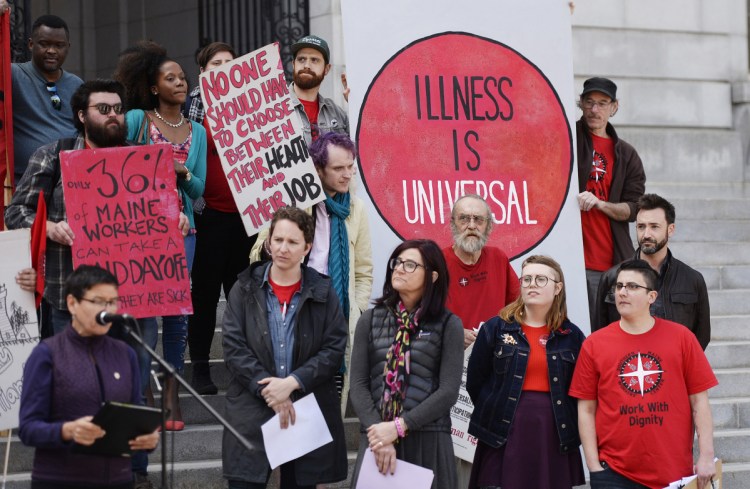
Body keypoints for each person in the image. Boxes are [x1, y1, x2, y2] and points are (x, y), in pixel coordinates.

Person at [114, 40, 207, 430]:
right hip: (139, 230)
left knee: (176, 312)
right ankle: (143, 389)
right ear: (154, 87)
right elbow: (116, 166)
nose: (181, 83)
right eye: (171, 79)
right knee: (143, 310)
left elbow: (199, 189)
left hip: (184, 229)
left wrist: (181, 172)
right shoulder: (137, 120)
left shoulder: (197, 131)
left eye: (183, 78)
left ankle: (171, 388)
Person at [222, 206, 348, 488]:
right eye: (277, 240)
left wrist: (292, 382)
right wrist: (270, 390)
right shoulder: (243, 288)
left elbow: (333, 349)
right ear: (268, 241)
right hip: (251, 409)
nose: (283, 248)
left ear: (307, 247)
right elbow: (233, 347)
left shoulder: (324, 293)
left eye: (292, 242)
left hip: (303, 408)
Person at [251, 132, 373, 407]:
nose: (347, 175)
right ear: (318, 169)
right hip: (295, 303)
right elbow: (256, 254)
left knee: (331, 387)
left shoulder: (357, 208)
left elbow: (364, 270)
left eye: (350, 167)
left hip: (335, 309)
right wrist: (276, 246)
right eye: (338, 168)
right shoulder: (292, 197)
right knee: (292, 384)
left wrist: (357, 306)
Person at [570, 260, 717, 489]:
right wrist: (593, 465)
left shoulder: (682, 338)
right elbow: (586, 408)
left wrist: (706, 455)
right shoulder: (594, 344)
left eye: (632, 286)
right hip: (614, 473)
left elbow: (699, 401)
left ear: (652, 297)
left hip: (674, 472)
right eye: (618, 286)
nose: (622, 292)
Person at [18, 265, 159, 488]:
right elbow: (28, 429)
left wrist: (146, 439)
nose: (107, 309)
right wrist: (66, 430)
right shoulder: (47, 354)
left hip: (117, 479)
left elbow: (133, 414)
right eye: (98, 301)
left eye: (112, 302)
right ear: (72, 303)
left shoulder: (125, 354)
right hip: (62, 479)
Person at [349, 239, 463, 489]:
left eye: (410, 264)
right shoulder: (370, 320)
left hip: (427, 440)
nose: (399, 269)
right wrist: (381, 432)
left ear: (432, 276)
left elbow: (448, 392)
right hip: (378, 440)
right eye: (397, 262)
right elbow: (357, 384)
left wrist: (400, 427)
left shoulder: (448, 325)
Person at [466, 255, 585, 488]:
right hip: (503, 431)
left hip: (553, 431)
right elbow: (475, 382)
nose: (532, 284)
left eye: (541, 279)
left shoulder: (572, 336)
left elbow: (581, 392)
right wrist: (496, 408)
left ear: (558, 287)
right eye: (527, 279)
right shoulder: (495, 328)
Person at [185, 42, 257, 395]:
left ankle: (243, 368)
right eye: (217, 63)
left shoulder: (255, 100)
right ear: (204, 71)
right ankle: (200, 366)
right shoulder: (196, 106)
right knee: (205, 296)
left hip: (248, 218)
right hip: (208, 215)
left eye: (231, 62)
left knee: (245, 298)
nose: (225, 67)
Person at [593, 194, 711, 349]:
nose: (646, 234)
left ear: (671, 229)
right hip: (625, 368)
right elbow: (600, 333)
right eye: (641, 226)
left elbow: (701, 337)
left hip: (674, 368)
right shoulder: (611, 277)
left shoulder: (692, 279)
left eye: (654, 226)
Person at [576, 77, 646, 326]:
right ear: (581, 104)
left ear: (614, 107)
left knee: (608, 335)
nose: (595, 110)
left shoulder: (627, 154)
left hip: (611, 264)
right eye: (590, 103)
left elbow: (635, 208)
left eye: (602, 103)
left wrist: (600, 203)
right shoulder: (568, 138)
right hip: (570, 259)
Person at [11, 14, 83, 185]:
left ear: (68, 47)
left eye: (59, 45)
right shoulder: (13, 75)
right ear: (30, 44)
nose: (51, 50)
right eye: (44, 44)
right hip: (27, 181)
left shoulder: (77, 84)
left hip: (70, 180)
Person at [443, 194, 520, 349]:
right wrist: (452, 332)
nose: (471, 226)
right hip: (450, 358)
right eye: (464, 218)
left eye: (478, 220)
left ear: (489, 226)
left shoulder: (498, 258)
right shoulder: (437, 262)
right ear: (453, 224)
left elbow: (518, 308)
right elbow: (421, 317)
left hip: (493, 356)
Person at [289, 35, 349, 145]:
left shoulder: (337, 113)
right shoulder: (274, 111)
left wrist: (355, 103)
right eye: (301, 59)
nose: (307, 65)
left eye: (314, 60)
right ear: (293, 64)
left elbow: (363, 146)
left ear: (326, 69)